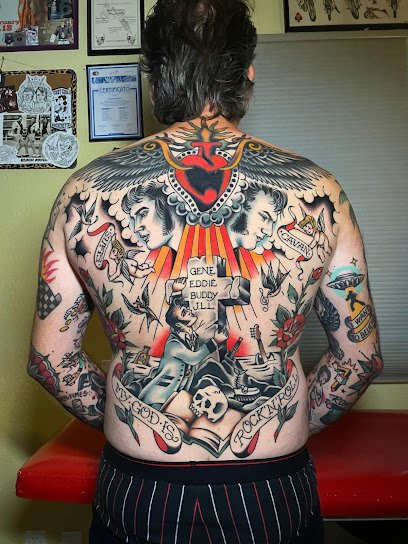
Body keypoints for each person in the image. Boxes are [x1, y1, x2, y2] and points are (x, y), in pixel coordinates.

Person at [27, 1, 383, 543]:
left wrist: (130, 413)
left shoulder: (85, 194)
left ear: (154, 85)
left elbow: (51, 360)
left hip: (139, 489)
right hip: (271, 490)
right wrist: (286, 419)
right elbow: (359, 358)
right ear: (248, 78)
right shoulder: (320, 193)